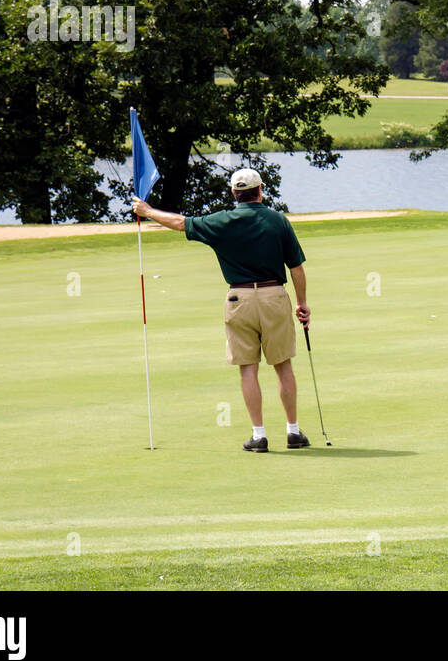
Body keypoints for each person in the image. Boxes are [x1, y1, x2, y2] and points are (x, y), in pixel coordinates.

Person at [131, 168, 312, 452]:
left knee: (247, 368)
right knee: (283, 365)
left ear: (233, 193)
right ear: (260, 190)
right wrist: (301, 303)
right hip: (274, 296)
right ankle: (293, 431)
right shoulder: (278, 221)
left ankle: (258, 435)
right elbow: (297, 268)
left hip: (238, 300)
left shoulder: (222, 221)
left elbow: (180, 223)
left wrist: (148, 210)